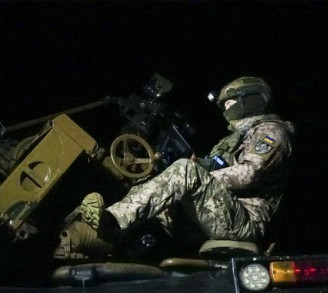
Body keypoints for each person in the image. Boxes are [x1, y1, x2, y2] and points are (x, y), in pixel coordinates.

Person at [63, 76, 296, 256]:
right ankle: (100, 239)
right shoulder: (240, 137)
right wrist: (200, 167)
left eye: (230, 103)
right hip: (222, 214)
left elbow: (248, 174)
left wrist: (198, 175)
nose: (226, 110)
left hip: (244, 223)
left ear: (251, 100)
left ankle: (112, 219)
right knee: (156, 195)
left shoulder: (272, 132)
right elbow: (219, 170)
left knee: (185, 171)